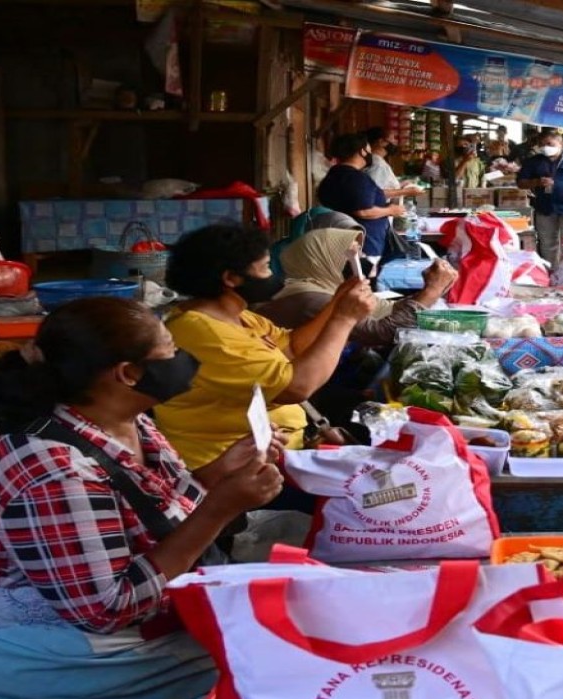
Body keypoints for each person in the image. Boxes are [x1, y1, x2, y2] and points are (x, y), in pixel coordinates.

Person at [0, 297, 287, 699]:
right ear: (129, 373)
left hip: (91, 620)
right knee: (257, 659)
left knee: (264, 633)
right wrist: (219, 509)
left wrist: (222, 470)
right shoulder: (57, 472)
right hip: (33, 652)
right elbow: (107, 608)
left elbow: (155, 506)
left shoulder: (123, 419)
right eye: (170, 350)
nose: (183, 359)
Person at [154, 223, 376, 468]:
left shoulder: (237, 316)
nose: (273, 276)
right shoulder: (203, 333)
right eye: (266, 268)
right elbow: (296, 388)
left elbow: (292, 347)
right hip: (231, 473)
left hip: (281, 450)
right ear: (231, 278)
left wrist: (338, 303)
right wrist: (344, 319)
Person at [256, 227, 457, 347]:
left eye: (359, 255)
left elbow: (386, 309)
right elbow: (382, 332)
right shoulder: (311, 299)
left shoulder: (326, 287)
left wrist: (432, 288)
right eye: (353, 257)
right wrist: (431, 292)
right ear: (324, 260)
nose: (361, 261)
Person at [317, 132, 406, 262]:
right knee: (362, 280)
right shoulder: (356, 178)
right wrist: (391, 210)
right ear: (362, 151)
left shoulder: (334, 175)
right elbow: (363, 211)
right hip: (363, 247)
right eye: (369, 148)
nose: (371, 153)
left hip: (340, 242)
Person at [517, 129, 563, 266]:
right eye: (542, 144)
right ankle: (551, 273)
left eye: (549, 144)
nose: (545, 147)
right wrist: (536, 182)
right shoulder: (533, 161)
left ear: (561, 143)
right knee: (548, 244)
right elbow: (520, 183)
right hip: (544, 208)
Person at [364, 127, 426, 203]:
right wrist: (405, 191)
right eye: (393, 139)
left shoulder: (379, 160)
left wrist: (400, 185)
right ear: (381, 142)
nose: (395, 142)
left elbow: (382, 186)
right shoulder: (377, 164)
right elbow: (375, 193)